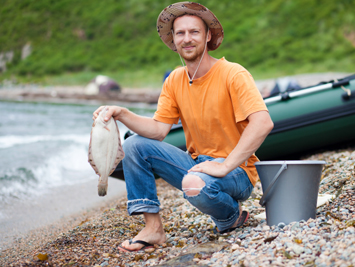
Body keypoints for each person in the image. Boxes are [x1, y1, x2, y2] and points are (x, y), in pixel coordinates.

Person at [93, 2, 274, 253]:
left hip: (238, 171)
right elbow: (158, 130)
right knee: (135, 145)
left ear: (208, 36)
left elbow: (263, 122)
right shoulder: (175, 80)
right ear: (173, 39)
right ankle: (153, 228)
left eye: (194, 32)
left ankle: (230, 216)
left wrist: (224, 166)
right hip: (198, 165)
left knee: (194, 183)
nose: (187, 39)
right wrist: (121, 113)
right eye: (180, 33)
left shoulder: (233, 73)